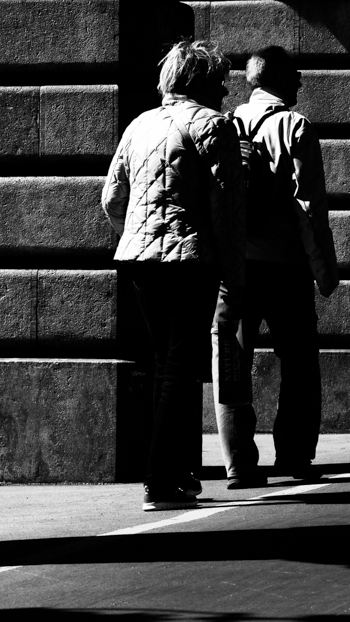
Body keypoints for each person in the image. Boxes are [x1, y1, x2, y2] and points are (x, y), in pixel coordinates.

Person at [102, 39, 246, 511]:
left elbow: (111, 199)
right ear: (203, 81)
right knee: (182, 371)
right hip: (190, 259)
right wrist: (234, 270)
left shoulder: (139, 124)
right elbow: (226, 209)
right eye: (221, 81)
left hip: (139, 260)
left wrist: (140, 231)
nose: (225, 90)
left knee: (167, 364)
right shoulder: (215, 126)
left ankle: (179, 475)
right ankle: (160, 480)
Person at [215, 45, 338, 488]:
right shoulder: (295, 126)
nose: (302, 82)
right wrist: (324, 269)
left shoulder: (225, 125)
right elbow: (308, 204)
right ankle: (294, 455)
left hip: (236, 270)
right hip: (285, 267)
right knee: (300, 363)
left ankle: (239, 464)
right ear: (280, 78)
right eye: (297, 74)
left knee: (232, 362)